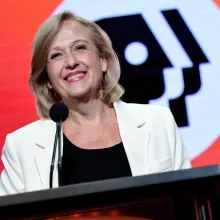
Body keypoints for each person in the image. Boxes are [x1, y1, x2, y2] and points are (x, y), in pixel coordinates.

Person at [0, 11, 191, 196]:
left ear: (103, 60)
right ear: (47, 79)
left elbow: (188, 201)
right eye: (56, 55)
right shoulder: (22, 146)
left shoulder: (157, 122)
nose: (71, 62)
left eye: (80, 48)